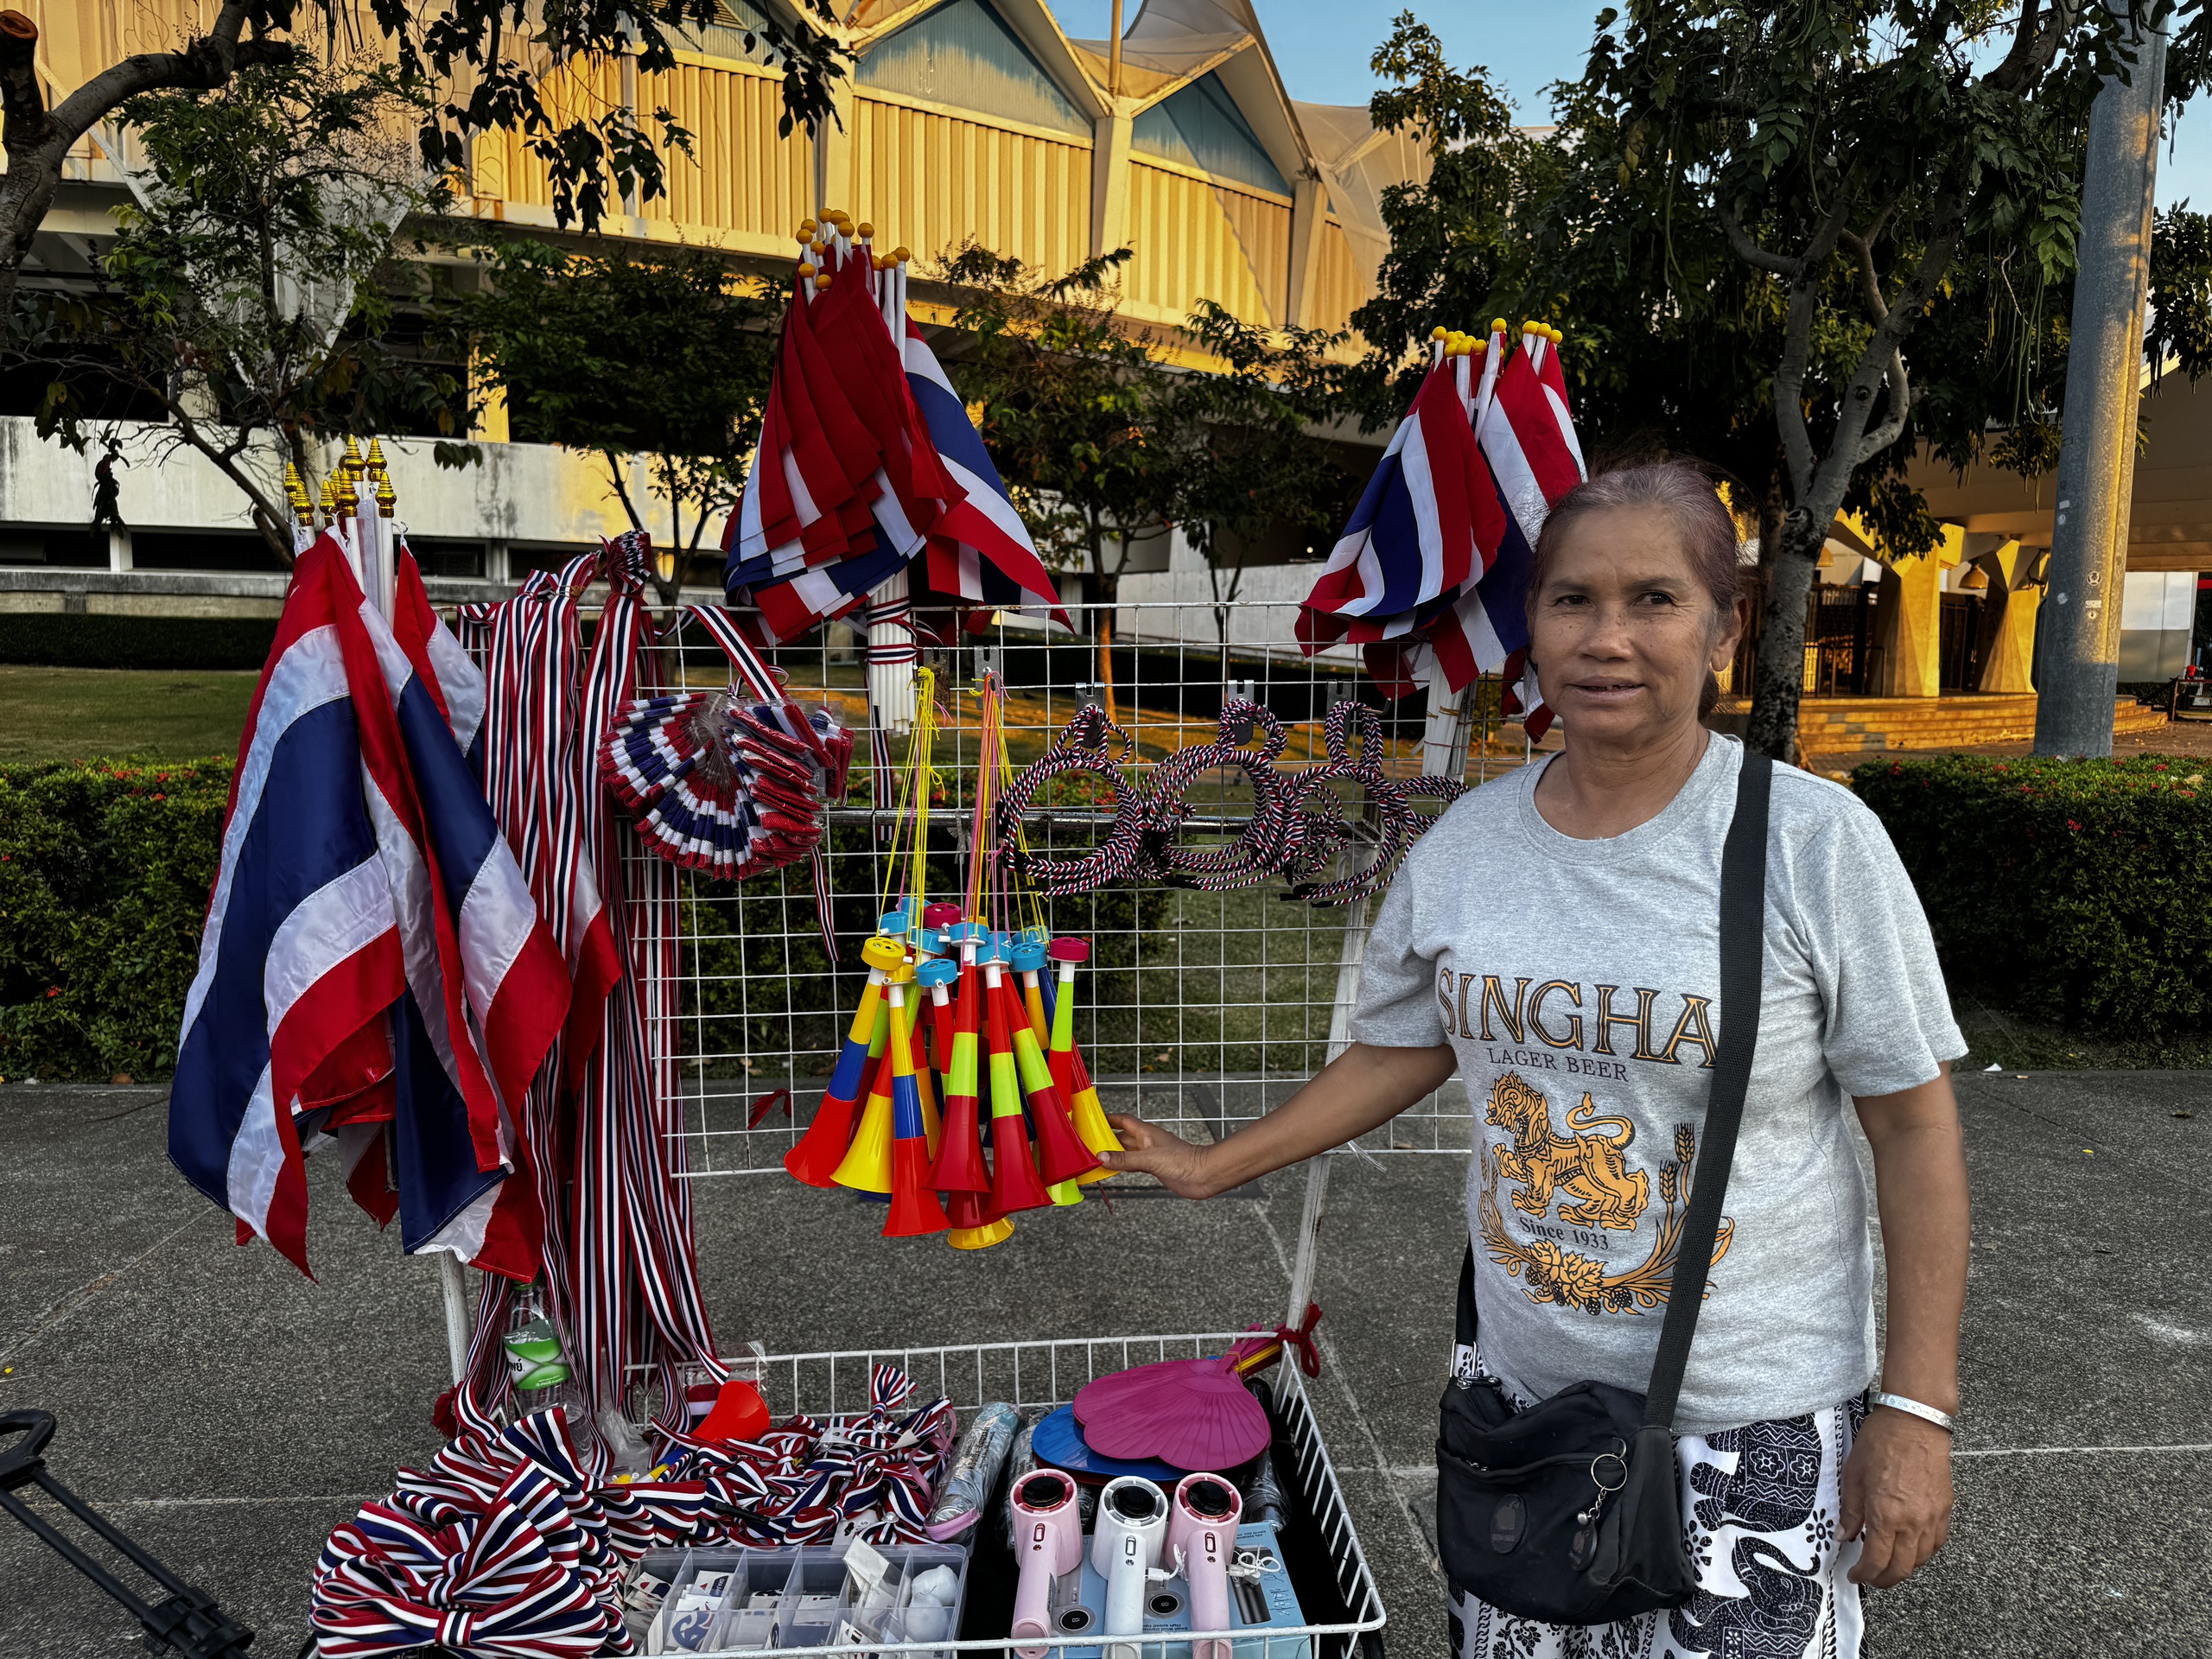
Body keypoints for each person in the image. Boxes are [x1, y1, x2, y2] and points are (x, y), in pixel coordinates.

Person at [1103, 461, 1969, 1659]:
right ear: (1532, 627)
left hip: (1746, 1428)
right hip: (1521, 1410)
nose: (1607, 639)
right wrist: (1213, 1166)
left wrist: (1916, 1412)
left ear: (1724, 629)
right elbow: (1403, 1048)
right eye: (1572, 600)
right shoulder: (1471, 845)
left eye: (1654, 600)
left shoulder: (1818, 847)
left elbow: (1916, 1130)